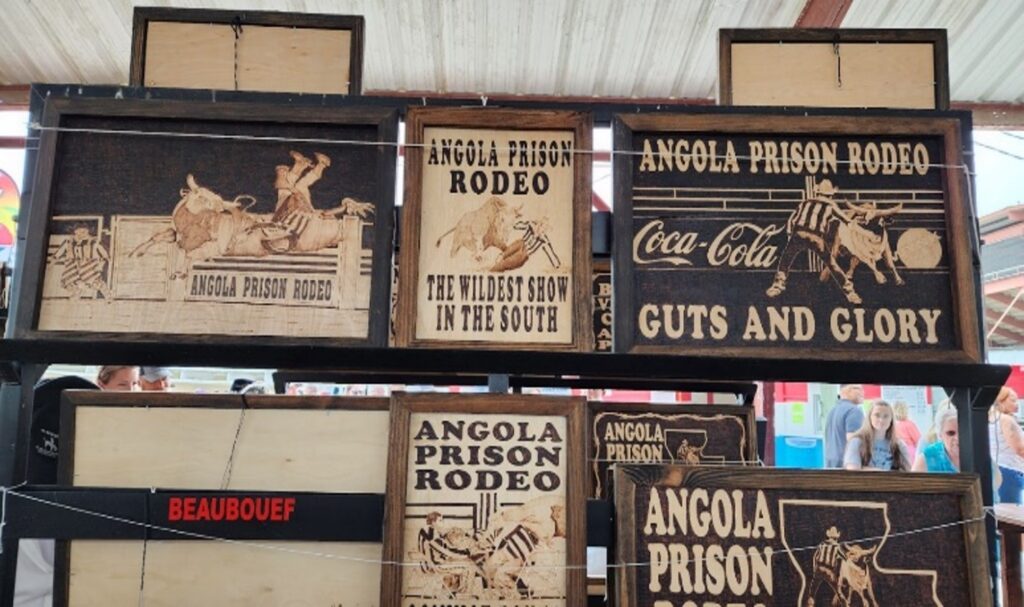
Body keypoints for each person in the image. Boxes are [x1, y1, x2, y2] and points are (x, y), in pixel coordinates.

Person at [844, 400, 911, 471]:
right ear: (870, 417)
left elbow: (907, 470)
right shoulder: (856, 441)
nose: (881, 420)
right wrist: (880, 472)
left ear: (891, 419)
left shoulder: (899, 444)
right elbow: (853, 469)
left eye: (886, 416)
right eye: (877, 415)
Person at [990, 386, 1024, 504]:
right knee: (1013, 513)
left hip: (1000, 469)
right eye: (1013, 400)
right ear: (1001, 401)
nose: (1017, 404)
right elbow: (1019, 449)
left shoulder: (992, 419)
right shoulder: (1006, 420)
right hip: (1009, 471)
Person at [824, 384, 865, 468]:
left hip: (830, 463)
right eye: (857, 389)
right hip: (847, 464)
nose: (862, 392)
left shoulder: (832, 410)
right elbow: (853, 440)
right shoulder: (854, 411)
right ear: (846, 391)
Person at [913, 407, 960, 473]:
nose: (957, 438)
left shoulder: (978, 452)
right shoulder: (926, 460)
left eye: (962, 432)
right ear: (940, 435)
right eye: (950, 433)